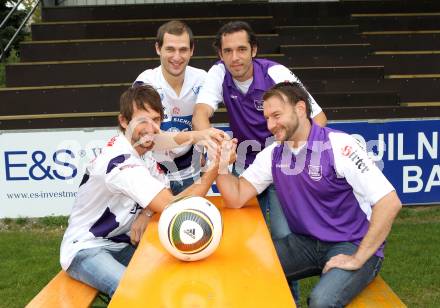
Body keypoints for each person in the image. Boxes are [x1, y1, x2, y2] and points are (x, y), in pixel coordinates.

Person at [215, 82, 402, 307]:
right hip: (305, 243)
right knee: (246, 270)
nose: (270, 125)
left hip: (351, 243)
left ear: (300, 109)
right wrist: (222, 165)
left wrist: (358, 258)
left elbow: (389, 202)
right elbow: (235, 197)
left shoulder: (339, 144)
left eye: (276, 115)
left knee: (321, 302)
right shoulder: (274, 153)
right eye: (266, 118)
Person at [60, 84, 226, 298]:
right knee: (137, 295)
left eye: (156, 120)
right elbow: (175, 207)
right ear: (124, 121)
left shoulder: (143, 150)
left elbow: (165, 152)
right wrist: (214, 168)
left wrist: (147, 211)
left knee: (173, 279)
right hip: (86, 249)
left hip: (121, 242)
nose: (151, 127)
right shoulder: (121, 161)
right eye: (142, 120)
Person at [192, 20, 327, 239]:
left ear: (253, 50)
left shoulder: (275, 73)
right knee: (242, 235)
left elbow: (318, 119)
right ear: (221, 54)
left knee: (284, 236)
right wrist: (209, 145)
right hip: (245, 165)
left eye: (242, 49)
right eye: (228, 51)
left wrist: (287, 151)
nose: (235, 57)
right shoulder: (218, 73)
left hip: (279, 164)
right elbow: (200, 115)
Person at [134, 20, 207, 195]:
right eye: (170, 49)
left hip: (190, 172)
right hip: (152, 171)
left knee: (189, 220)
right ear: (158, 49)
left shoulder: (203, 79)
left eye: (183, 49)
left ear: (192, 50)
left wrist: (204, 147)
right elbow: (149, 137)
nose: (176, 57)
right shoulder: (146, 82)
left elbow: (202, 118)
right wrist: (198, 137)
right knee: (150, 223)